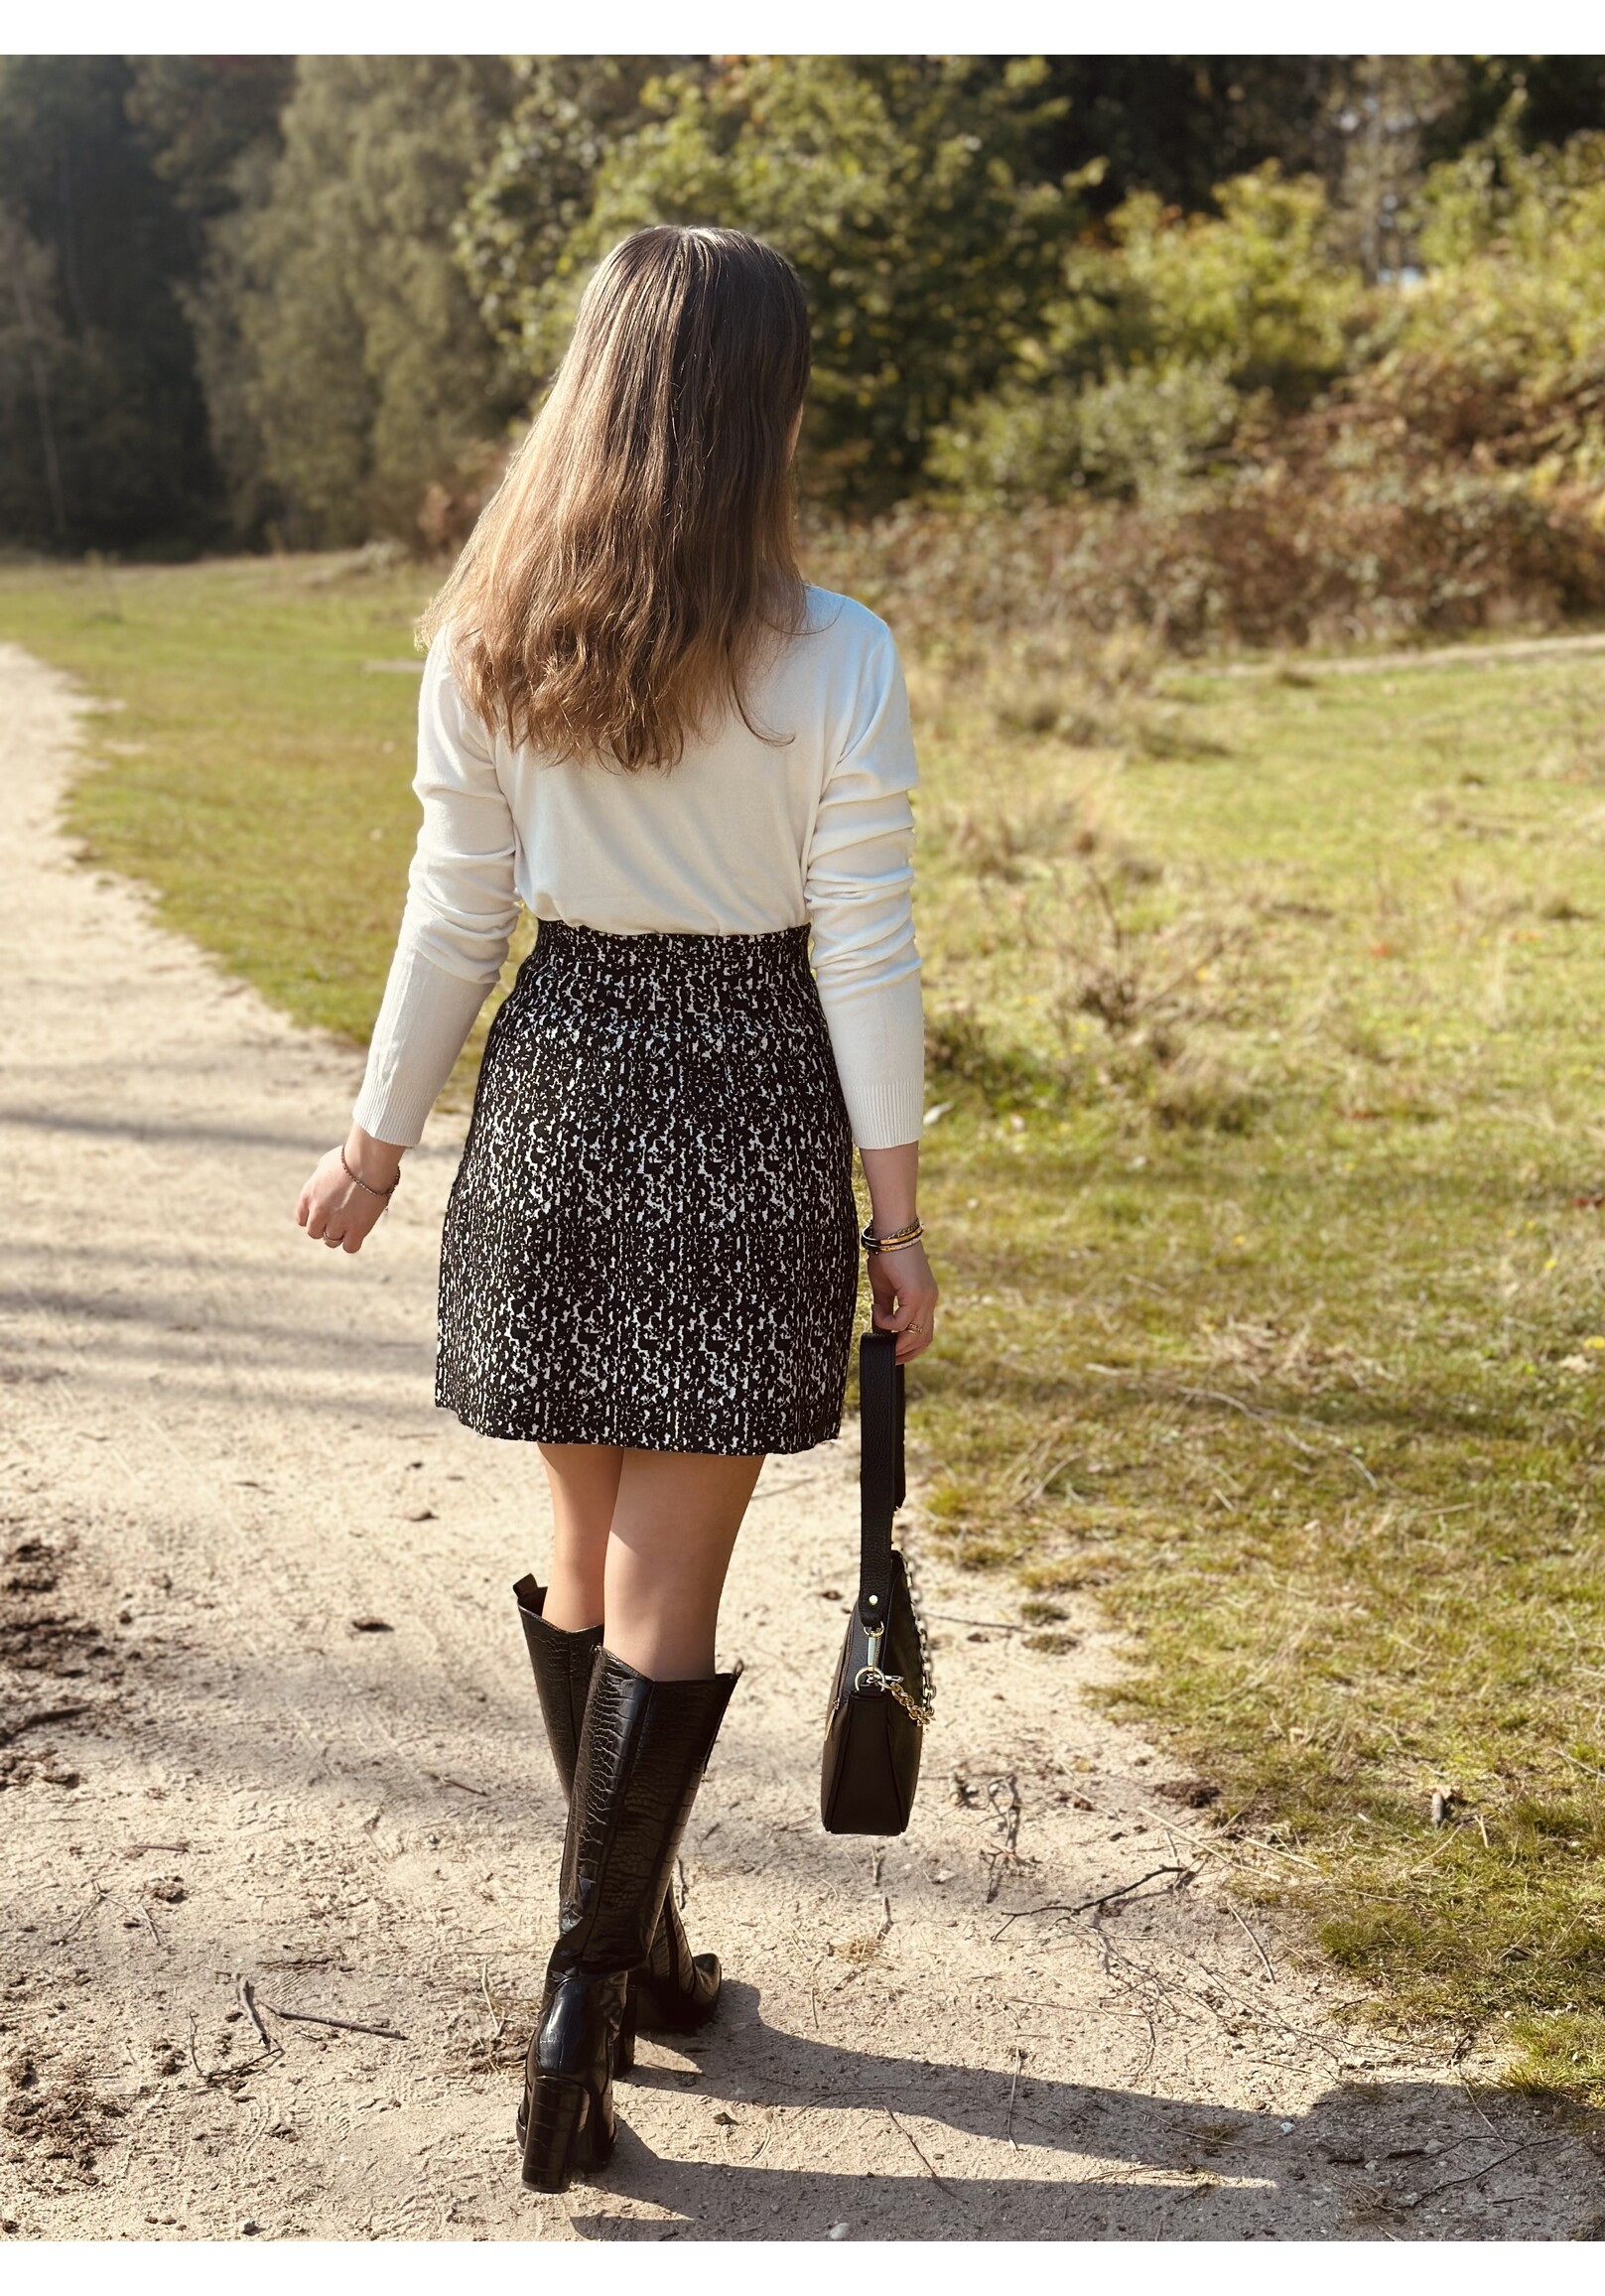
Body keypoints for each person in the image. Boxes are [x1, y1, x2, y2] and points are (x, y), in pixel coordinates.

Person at [293, 224, 937, 2195]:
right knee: (666, 1573)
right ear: (766, 406)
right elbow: (867, 946)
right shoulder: (834, 654)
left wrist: (380, 1132)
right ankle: (585, 1990)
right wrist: (895, 1217)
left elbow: (452, 915)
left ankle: (633, 1944)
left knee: (584, 1542)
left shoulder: (491, 633)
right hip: (747, 1102)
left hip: (561, 1090)